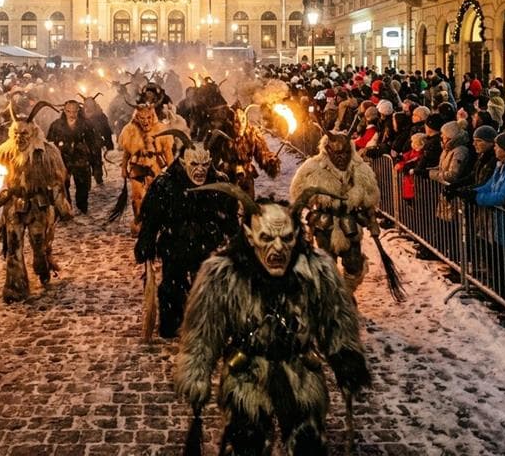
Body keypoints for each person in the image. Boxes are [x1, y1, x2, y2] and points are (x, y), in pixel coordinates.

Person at [175, 188, 371, 456]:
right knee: (246, 443)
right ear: (249, 236)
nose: (277, 248)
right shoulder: (223, 274)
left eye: (286, 238)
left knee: (307, 444)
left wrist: (346, 357)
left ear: (297, 235)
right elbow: (203, 332)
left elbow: (336, 319)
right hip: (247, 372)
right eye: (266, 238)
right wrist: (196, 373)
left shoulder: (318, 272)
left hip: (300, 370)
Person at [133, 132, 239, 338]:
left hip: (207, 245)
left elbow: (230, 219)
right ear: (182, 162)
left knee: (208, 287)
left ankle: (207, 326)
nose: (200, 171)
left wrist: (236, 243)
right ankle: (171, 326)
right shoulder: (165, 184)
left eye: (205, 165)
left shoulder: (220, 184)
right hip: (175, 245)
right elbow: (152, 220)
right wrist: (145, 244)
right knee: (172, 287)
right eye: (194, 165)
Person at [0, 105, 72, 303]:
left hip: (38, 206)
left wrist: (61, 205)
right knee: (13, 245)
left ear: (32, 132)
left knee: (39, 244)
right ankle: (15, 286)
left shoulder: (47, 153)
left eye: (24, 133)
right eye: (16, 133)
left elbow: (58, 180)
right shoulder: (4, 151)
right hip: (14, 205)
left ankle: (42, 267)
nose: (19, 138)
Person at [289, 129, 381, 296]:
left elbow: (370, 196)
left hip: (350, 222)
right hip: (324, 223)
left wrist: (372, 219)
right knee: (327, 264)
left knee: (354, 264)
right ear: (327, 149)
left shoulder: (360, 168)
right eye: (337, 153)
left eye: (345, 152)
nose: (341, 157)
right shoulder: (312, 167)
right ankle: (333, 297)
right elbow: (299, 194)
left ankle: (346, 294)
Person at [117, 101, 174, 234]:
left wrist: (172, 170)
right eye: (142, 118)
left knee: (156, 196)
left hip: (154, 166)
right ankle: (138, 221)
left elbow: (167, 151)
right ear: (137, 117)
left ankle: (155, 222)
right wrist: (123, 167)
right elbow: (127, 151)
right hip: (137, 166)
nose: (146, 121)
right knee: (136, 198)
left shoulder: (161, 130)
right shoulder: (130, 130)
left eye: (148, 118)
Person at [46, 100, 103, 214]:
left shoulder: (86, 124)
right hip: (62, 159)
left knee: (83, 185)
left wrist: (94, 159)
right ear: (64, 111)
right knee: (63, 185)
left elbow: (93, 142)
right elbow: (50, 143)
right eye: (68, 111)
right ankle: (66, 208)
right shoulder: (56, 125)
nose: (71, 114)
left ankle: (82, 206)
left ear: (78, 111)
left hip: (81, 158)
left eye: (74, 111)